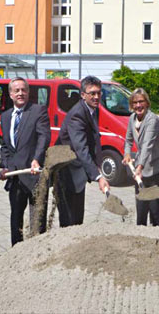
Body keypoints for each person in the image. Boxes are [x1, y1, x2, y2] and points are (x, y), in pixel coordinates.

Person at [0, 77, 51, 246]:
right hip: (15, 178)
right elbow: (6, 146)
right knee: (16, 220)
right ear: (11, 94)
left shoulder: (38, 111)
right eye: (17, 90)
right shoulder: (5, 117)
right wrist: (6, 167)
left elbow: (44, 137)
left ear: (28, 92)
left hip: (34, 175)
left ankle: (36, 255)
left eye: (24, 90)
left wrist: (37, 159)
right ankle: (16, 254)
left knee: (37, 221)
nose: (20, 93)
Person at [55, 75, 110, 226]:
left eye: (99, 93)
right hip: (68, 173)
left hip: (78, 172)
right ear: (83, 95)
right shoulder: (78, 114)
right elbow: (81, 148)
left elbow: (93, 140)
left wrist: (97, 167)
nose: (97, 96)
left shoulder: (92, 109)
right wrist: (99, 177)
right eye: (92, 93)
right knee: (69, 221)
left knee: (78, 218)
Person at [122, 88, 159, 226]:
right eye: (135, 102)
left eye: (141, 101)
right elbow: (128, 139)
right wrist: (127, 153)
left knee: (156, 213)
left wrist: (139, 167)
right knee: (141, 211)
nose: (138, 105)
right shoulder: (132, 118)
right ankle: (141, 241)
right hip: (141, 172)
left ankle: (157, 241)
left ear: (147, 103)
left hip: (156, 171)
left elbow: (148, 144)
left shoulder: (152, 120)